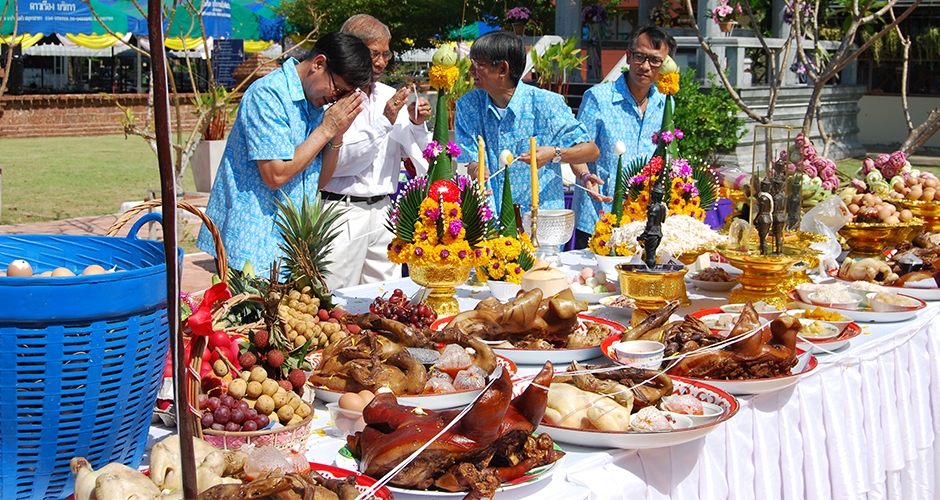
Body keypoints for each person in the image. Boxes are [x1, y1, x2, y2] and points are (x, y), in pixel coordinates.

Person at [197, 32, 373, 274]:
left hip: (292, 250)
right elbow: (275, 175)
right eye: (338, 89)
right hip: (251, 249)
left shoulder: (317, 105)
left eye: (345, 96)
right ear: (319, 64)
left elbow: (318, 182)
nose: (336, 99)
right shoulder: (269, 95)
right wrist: (326, 129)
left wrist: (337, 134)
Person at [321, 14, 432, 290]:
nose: (381, 62)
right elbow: (339, 164)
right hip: (342, 210)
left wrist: (417, 124)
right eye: (374, 54)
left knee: (385, 298)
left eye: (386, 54)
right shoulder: (332, 97)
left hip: (383, 211)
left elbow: (420, 158)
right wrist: (384, 123)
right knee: (337, 299)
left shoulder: (387, 95)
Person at [455, 31, 599, 218]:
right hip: (489, 217)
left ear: (502, 69)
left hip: (540, 220)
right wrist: (477, 171)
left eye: (479, 64)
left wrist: (554, 154)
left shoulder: (546, 103)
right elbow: (471, 159)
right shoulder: (468, 105)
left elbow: (591, 150)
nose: (471, 71)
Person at [569, 25, 677, 248]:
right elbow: (576, 150)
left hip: (643, 222)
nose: (645, 66)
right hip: (598, 217)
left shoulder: (665, 103)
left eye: (655, 60)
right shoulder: (598, 98)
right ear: (628, 56)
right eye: (639, 56)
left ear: (666, 66)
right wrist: (586, 177)